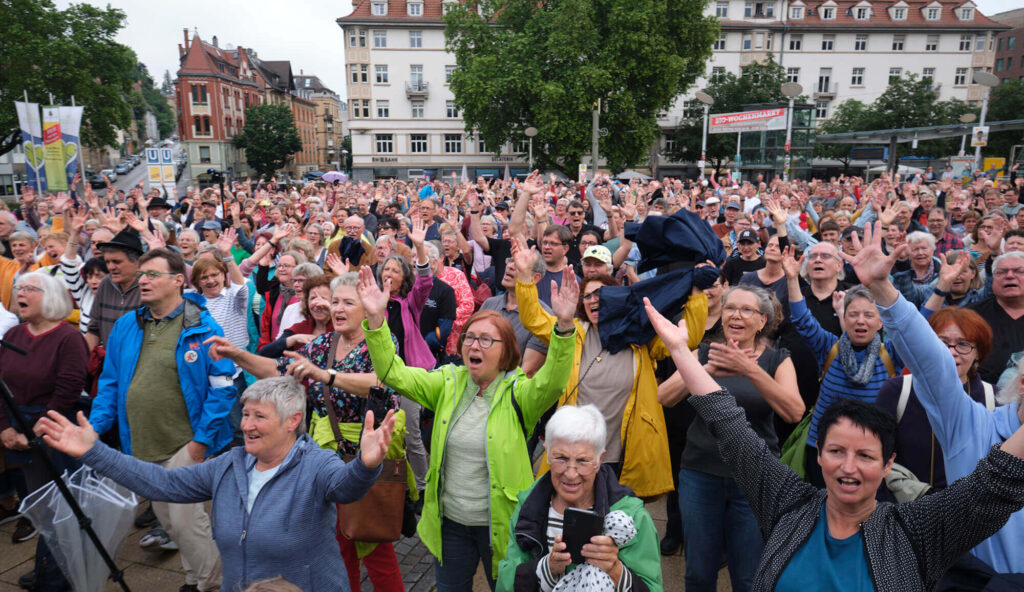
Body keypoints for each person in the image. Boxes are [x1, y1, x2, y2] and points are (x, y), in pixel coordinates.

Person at [643, 290, 1024, 591]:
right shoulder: (787, 503)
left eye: (865, 455)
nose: (848, 466)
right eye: (837, 451)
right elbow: (730, 425)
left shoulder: (917, 528)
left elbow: (992, 485)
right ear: (819, 457)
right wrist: (679, 349)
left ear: (888, 464)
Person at [36, 376, 396, 592]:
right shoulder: (230, 464)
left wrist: (365, 465)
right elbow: (161, 483)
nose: (247, 425)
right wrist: (94, 452)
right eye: (246, 414)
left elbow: (346, 488)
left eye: (259, 417)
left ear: (293, 421)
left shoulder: (316, 465)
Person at [358, 262, 578, 592]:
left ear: (506, 352)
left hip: (502, 525)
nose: (474, 346)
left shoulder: (519, 392)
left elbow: (554, 380)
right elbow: (392, 372)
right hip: (451, 527)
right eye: (470, 338)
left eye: (486, 340)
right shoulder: (447, 382)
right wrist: (376, 320)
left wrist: (562, 326)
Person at [205, 273, 405, 592]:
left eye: (346, 302)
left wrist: (326, 376)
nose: (335, 307)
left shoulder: (380, 341)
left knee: (374, 541)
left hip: (366, 456)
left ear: (366, 308)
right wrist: (236, 355)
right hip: (325, 460)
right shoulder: (323, 344)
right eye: (334, 300)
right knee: (339, 543)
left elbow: (382, 380)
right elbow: (278, 371)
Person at [515, 236, 709, 499]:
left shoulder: (639, 338)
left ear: (617, 297)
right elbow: (533, 319)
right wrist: (525, 275)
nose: (593, 300)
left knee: (619, 521)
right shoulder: (571, 332)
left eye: (600, 294)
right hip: (577, 450)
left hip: (623, 452)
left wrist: (697, 292)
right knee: (575, 515)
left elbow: (690, 338)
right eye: (586, 296)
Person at [89, 248, 235, 591]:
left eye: (153, 274)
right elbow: (110, 382)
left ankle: (212, 585)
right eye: (142, 274)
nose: (143, 280)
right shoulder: (128, 324)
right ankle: (195, 576)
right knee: (168, 522)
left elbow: (223, 388)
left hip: (185, 443)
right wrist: (95, 426)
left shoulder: (202, 325)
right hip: (141, 441)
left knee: (187, 522)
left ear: (178, 281)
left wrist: (201, 441)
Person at [657, 284, 802, 592]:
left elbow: (794, 411)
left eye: (746, 309)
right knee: (698, 572)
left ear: (762, 321)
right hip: (700, 474)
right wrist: (702, 369)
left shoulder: (778, 360)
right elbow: (664, 396)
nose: (736, 315)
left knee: (749, 576)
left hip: (755, 479)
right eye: (729, 308)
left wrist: (750, 370)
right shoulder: (706, 351)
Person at [496, 405, 662, 592]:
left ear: (599, 460)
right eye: (561, 458)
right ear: (547, 453)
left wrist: (614, 569)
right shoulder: (530, 505)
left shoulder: (630, 516)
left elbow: (653, 587)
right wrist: (546, 568)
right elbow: (504, 583)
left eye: (583, 461)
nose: (571, 473)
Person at [783, 246, 903, 486]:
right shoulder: (830, 347)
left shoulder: (892, 354)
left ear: (881, 322)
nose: (860, 320)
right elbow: (802, 320)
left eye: (869, 315)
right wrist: (791, 279)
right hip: (823, 448)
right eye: (853, 314)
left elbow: (916, 330)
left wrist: (941, 288)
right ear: (843, 318)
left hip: (871, 452)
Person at [0, 272, 88, 549]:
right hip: (17, 426)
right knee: (39, 500)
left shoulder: (68, 338)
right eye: (18, 288)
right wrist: (4, 427)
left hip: (55, 428)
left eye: (29, 289)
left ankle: (69, 561)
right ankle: (52, 557)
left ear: (49, 296)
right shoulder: (13, 334)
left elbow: (69, 388)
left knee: (68, 500)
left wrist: (39, 429)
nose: (20, 293)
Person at [874, 306, 995, 501]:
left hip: (969, 519)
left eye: (963, 344)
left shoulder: (994, 399)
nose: (951, 352)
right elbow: (874, 456)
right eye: (942, 343)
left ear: (978, 353)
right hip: (903, 514)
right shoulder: (896, 391)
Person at [967, 251, 1024, 383]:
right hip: (980, 395)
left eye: (1019, 271)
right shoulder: (970, 316)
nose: (1009, 276)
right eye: (1001, 272)